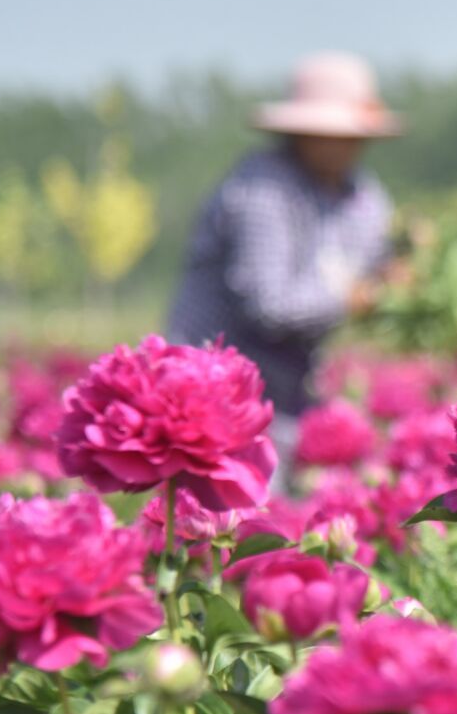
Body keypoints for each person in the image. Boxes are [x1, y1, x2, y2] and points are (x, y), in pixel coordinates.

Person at [168, 52, 404, 467]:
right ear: (303, 133)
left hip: (292, 386)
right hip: (217, 393)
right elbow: (271, 306)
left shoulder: (362, 196)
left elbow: (375, 259)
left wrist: (400, 277)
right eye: (337, 134)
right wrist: (356, 299)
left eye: (356, 137)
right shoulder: (262, 191)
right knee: (233, 516)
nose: (351, 146)